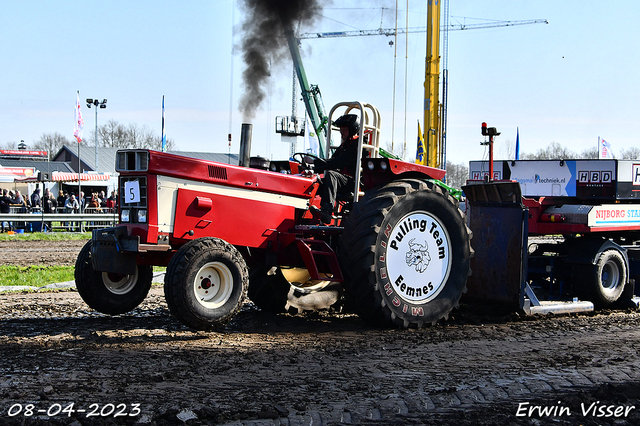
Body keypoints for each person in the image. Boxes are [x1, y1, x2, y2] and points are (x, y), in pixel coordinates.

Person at [313, 114, 361, 224]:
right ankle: (311, 209)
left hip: (352, 181)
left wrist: (315, 162)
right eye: (341, 130)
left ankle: (327, 211)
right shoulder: (345, 145)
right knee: (318, 181)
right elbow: (332, 161)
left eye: (344, 130)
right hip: (342, 180)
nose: (341, 133)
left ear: (352, 130)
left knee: (331, 175)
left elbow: (338, 162)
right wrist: (312, 167)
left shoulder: (357, 145)